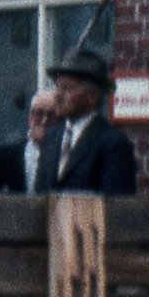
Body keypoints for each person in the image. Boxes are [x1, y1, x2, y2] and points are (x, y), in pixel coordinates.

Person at [35, 48, 137, 195]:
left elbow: (115, 207)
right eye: (57, 86)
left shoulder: (113, 144)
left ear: (92, 97)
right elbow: (39, 195)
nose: (57, 95)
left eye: (67, 88)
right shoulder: (51, 138)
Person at [0, 89, 59, 193]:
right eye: (39, 113)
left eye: (52, 115)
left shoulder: (66, 161)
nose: (45, 120)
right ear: (30, 117)